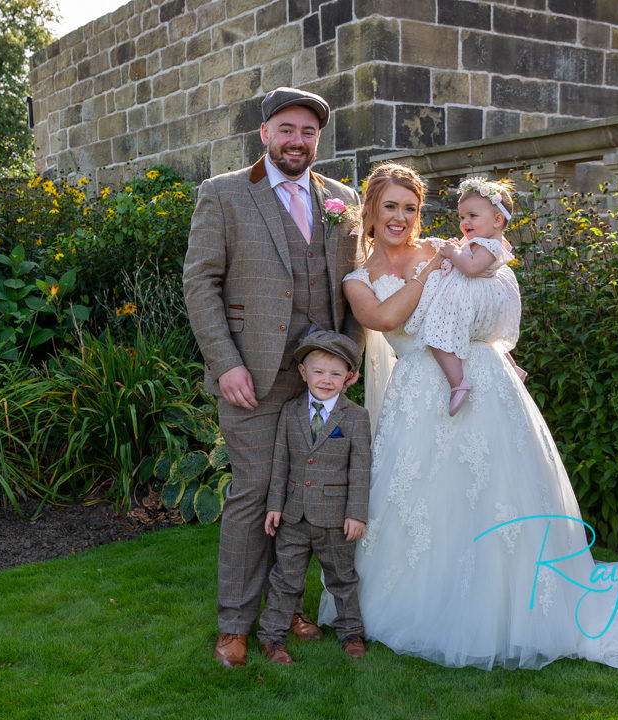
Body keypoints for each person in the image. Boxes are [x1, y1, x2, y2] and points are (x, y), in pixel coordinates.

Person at [320, 162, 618, 670]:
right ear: (370, 211)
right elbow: (385, 318)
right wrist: (429, 272)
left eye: (411, 208)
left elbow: (493, 283)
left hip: (482, 382)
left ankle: (512, 607)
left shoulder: (448, 248)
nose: (401, 217)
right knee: (420, 499)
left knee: (496, 493)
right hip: (419, 393)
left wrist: (490, 332)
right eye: (390, 207)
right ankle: (417, 601)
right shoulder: (362, 278)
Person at [182, 87, 361, 668]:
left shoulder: (342, 198)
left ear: (318, 140)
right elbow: (200, 283)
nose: (297, 141)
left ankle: (285, 611)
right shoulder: (225, 193)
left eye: (308, 133)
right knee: (254, 493)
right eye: (286, 130)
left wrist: (350, 361)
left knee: (308, 499)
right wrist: (225, 362)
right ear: (264, 133)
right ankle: (235, 623)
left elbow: (354, 286)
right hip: (252, 377)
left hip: (323, 380)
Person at [256, 331, 372, 664]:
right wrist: (275, 505)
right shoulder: (290, 411)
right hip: (293, 516)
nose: (326, 380)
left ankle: (350, 633)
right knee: (284, 580)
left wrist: (357, 513)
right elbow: (280, 461)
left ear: (348, 378)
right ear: (303, 372)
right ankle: (272, 639)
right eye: (319, 372)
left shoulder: (355, 417)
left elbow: (361, 469)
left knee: (343, 579)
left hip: (336, 519)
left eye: (336, 374)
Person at [404, 176, 522, 415]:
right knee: (481, 336)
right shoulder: (486, 240)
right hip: (473, 296)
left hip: (469, 298)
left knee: (437, 332)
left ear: (498, 220)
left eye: (472, 216)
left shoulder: (491, 245)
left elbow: (471, 268)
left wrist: (452, 252)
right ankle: (512, 365)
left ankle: (458, 382)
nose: (465, 222)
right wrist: (459, 248)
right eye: (462, 217)